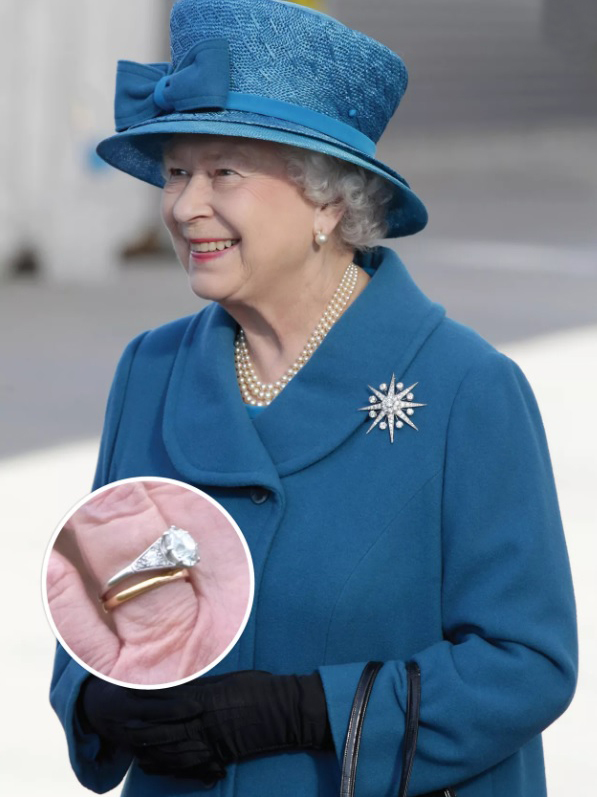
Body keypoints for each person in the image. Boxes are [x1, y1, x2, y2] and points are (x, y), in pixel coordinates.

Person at [50, 0, 577, 795]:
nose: (186, 205)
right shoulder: (150, 369)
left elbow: (526, 662)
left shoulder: (466, 388)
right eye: (176, 172)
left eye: (223, 170)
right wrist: (99, 698)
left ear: (328, 202)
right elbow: (88, 591)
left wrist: (309, 710)